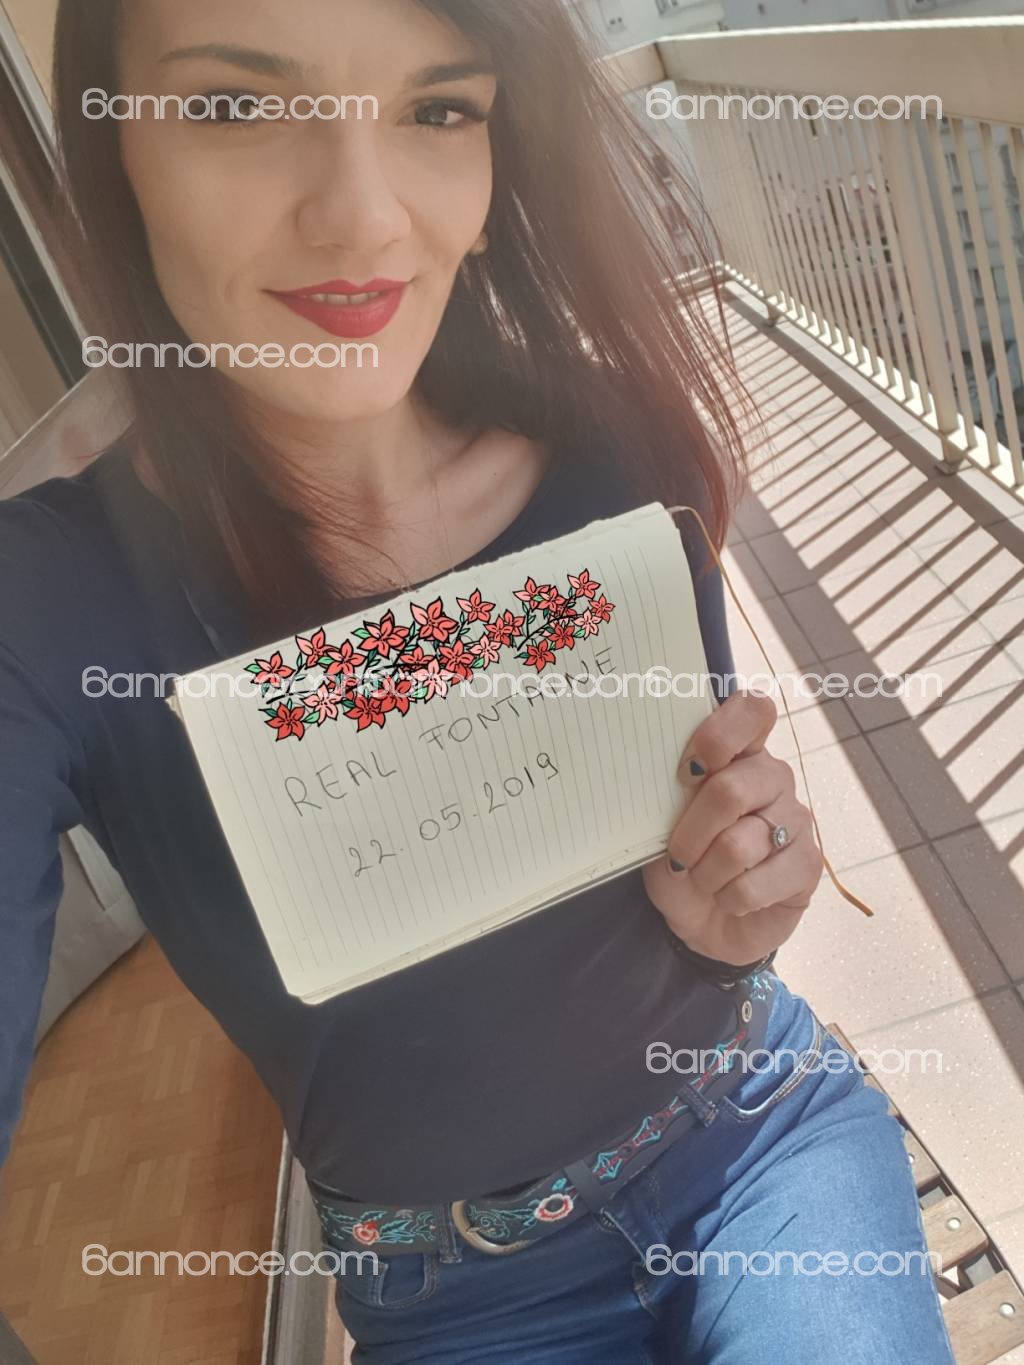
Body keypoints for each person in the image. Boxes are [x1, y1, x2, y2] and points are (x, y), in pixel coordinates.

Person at [0, 0, 955, 1360]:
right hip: (456, 1293)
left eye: (437, 108)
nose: (362, 217)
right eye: (234, 107)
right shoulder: (48, 604)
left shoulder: (610, 450)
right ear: (116, 155)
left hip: (760, 1136)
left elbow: (706, 871)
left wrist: (744, 893)